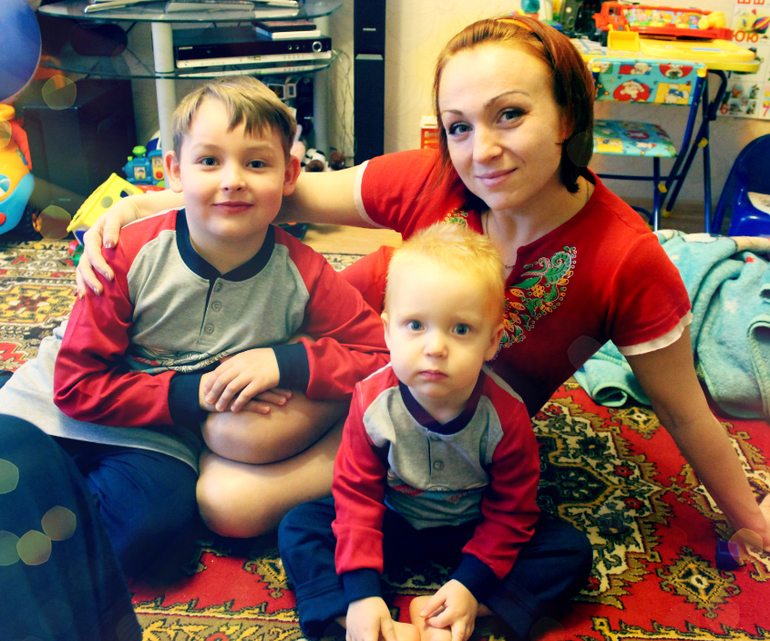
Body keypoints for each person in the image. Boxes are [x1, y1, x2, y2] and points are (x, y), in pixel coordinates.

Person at [77, 16, 770, 550]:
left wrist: (750, 519)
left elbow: (684, 411)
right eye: (458, 126)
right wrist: (143, 210)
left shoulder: (627, 258)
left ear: (566, 115)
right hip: (338, 350)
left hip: (434, 418)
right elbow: (275, 189)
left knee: (227, 503)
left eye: (510, 114)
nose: (482, 150)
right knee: (232, 434)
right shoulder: (433, 175)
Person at [0, 75, 389, 579]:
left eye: (257, 163)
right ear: (174, 172)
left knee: (151, 536)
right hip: (56, 406)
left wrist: (287, 361)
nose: (233, 180)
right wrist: (195, 393)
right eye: (209, 161)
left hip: (157, 437)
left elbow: (380, 354)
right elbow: (76, 387)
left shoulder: (305, 273)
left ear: (290, 174)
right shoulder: (126, 255)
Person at [278, 224, 592, 641]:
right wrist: (362, 591)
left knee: (570, 550)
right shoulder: (370, 402)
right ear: (387, 331)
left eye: (460, 329)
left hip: (472, 528)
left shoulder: (506, 416)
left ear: (492, 341)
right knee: (300, 527)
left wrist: (469, 585)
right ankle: (360, 620)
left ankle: (455, 614)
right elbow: (356, 496)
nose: (435, 347)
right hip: (392, 522)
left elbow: (512, 512)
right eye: (415, 325)